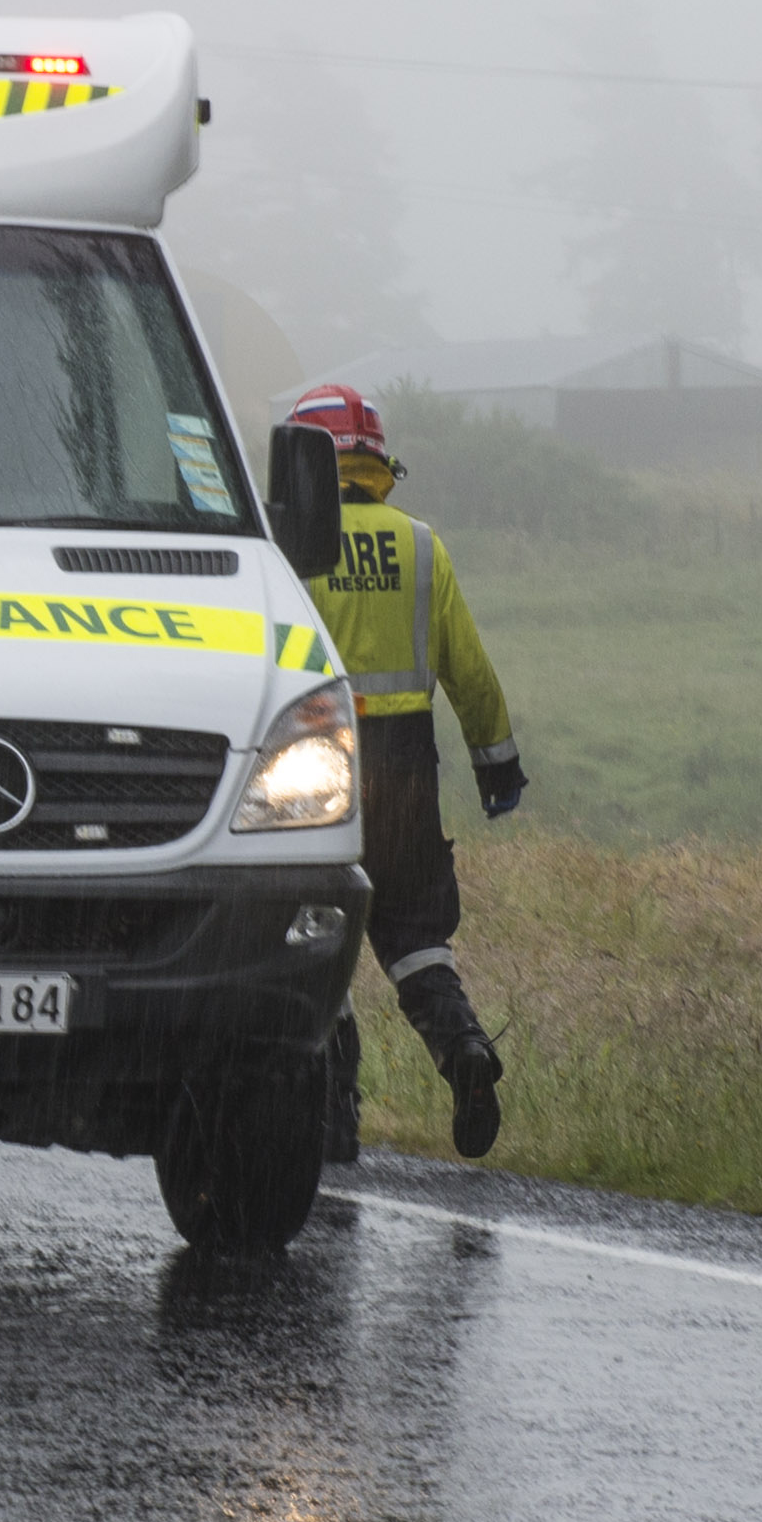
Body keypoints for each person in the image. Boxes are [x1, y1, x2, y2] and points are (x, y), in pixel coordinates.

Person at [286, 379, 522, 1158]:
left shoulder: (289, 547)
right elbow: (470, 669)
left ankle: (334, 1113)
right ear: (378, 461)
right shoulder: (422, 545)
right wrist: (498, 764)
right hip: (409, 765)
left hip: (317, 764)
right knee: (416, 932)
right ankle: (463, 1050)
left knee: (316, 931)